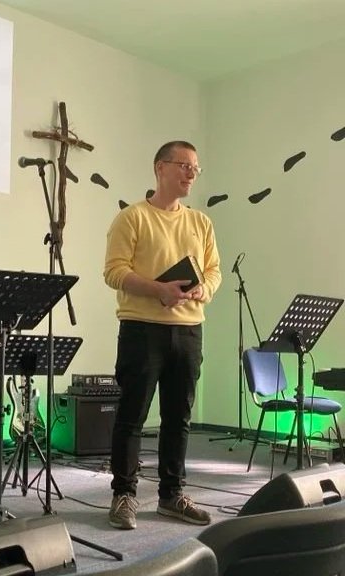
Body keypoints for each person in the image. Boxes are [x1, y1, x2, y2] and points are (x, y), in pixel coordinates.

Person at [103, 141, 221, 531]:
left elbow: (213, 270)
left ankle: (172, 495)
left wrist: (204, 288)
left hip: (189, 330)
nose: (191, 173)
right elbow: (114, 272)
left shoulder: (201, 222)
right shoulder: (132, 218)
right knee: (132, 416)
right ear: (160, 168)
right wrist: (159, 290)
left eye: (195, 168)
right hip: (141, 328)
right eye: (184, 165)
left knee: (178, 417)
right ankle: (124, 495)